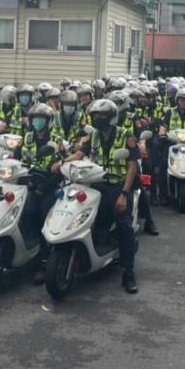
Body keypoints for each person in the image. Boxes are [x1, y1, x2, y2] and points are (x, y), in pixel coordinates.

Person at [61, 99, 140, 293]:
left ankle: (128, 272)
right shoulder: (93, 136)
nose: (97, 119)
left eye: (101, 116)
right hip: (96, 185)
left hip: (118, 187)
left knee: (124, 225)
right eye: (95, 115)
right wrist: (62, 162)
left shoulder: (126, 136)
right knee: (81, 214)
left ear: (111, 117)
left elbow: (132, 167)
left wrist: (124, 194)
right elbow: (80, 154)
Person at [19, 103, 60, 285]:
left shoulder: (57, 140)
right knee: (23, 212)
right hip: (28, 183)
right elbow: (15, 157)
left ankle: (45, 259)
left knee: (44, 214)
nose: (37, 122)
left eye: (41, 119)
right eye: (34, 118)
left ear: (48, 121)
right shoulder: (26, 138)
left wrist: (44, 185)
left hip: (49, 185)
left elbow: (61, 167)